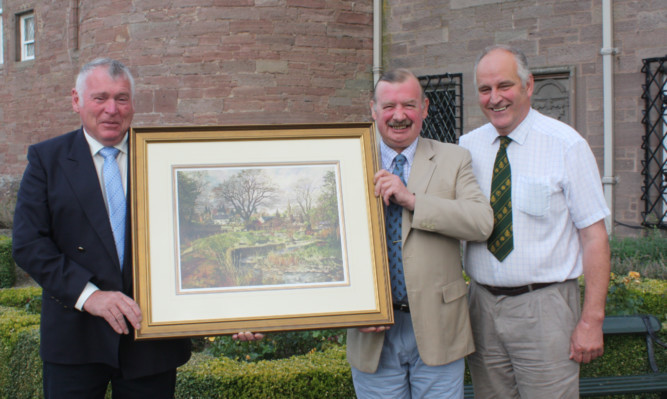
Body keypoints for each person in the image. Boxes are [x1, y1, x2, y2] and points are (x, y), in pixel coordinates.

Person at [12, 58, 199, 399]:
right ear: (76, 100)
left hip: (150, 343)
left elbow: (195, 238)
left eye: (121, 98)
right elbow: (28, 244)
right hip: (75, 338)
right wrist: (91, 296)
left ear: (132, 103)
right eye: (100, 98)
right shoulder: (46, 160)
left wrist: (231, 312)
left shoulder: (165, 156)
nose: (112, 109)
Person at [459, 44, 611, 398]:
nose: (494, 98)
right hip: (481, 307)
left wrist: (592, 320)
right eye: (485, 89)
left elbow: (595, 238)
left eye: (504, 86)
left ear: (528, 86)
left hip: (545, 309)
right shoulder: (467, 147)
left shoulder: (566, 145)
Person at [346, 68, 494, 398]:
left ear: (425, 108)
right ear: (373, 110)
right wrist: (351, 306)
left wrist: (412, 200)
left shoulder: (454, 158)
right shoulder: (348, 159)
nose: (399, 116)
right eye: (389, 107)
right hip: (372, 332)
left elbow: (480, 222)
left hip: (439, 328)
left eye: (409, 105)